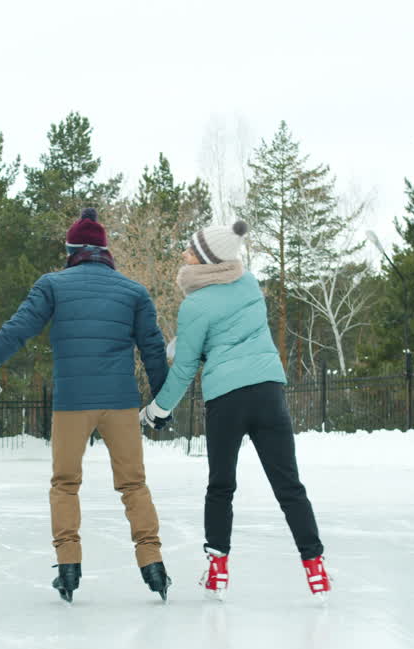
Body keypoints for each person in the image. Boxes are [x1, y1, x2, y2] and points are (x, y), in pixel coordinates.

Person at [0, 208, 171, 603]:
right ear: (105, 251)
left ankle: (68, 566)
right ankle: (152, 563)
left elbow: (18, 329)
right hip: (119, 403)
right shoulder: (133, 292)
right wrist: (162, 400)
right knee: (133, 484)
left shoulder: (52, 285)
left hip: (72, 404)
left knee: (65, 484)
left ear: (72, 251)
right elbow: (152, 348)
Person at [139, 221, 330, 600]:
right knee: (289, 485)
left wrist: (157, 409)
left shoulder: (194, 305)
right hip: (268, 393)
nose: (184, 254)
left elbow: (185, 368)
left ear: (207, 260)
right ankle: (316, 569)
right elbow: (233, 328)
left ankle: (218, 573)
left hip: (226, 399)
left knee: (221, 486)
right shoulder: (249, 284)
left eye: (191, 250)